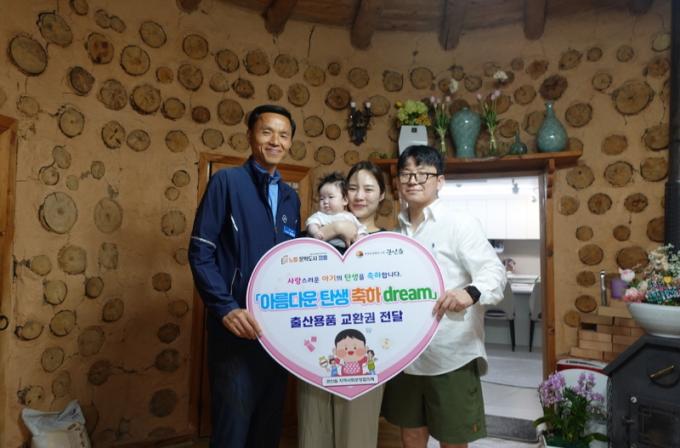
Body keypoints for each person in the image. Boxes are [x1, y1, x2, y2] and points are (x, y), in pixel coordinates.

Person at [188, 104, 300, 448]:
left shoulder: (291, 198)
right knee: (232, 429)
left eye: (283, 135)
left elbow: (292, 263)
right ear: (250, 136)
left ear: (290, 142)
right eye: (267, 132)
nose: (275, 141)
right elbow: (200, 252)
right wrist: (225, 308)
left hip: (277, 335)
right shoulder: (226, 182)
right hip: (235, 330)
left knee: (268, 427)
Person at [382, 145, 506, 448]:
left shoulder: (459, 223)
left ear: (440, 181)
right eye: (406, 174)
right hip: (406, 354)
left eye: (422, 173)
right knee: (411, 434)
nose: (413, 180)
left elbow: (494, 271)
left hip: (450, 353)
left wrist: (470, 292)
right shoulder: (394, 233)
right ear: (398, 182)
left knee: (453, 438)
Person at [297, 160, 387, 448]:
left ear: (382, 195)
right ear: (344, 195)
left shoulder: (389, 243)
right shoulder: (313, 233)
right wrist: (335, 227)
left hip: (365, 350)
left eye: (368, 189)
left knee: (357, 433)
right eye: (352, 188)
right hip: (314, 345)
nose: (359, 196)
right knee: (314, 427)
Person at [306, 171, 368, 249]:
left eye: (331, 197)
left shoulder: (350, 216)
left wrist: (360, 237)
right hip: (327, 249)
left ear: (344, 200)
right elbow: (311, 224)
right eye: (322, 198)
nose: (325, 202)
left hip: (346, 250)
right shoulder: (320, 215)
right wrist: (315, 232)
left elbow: (361, 228)